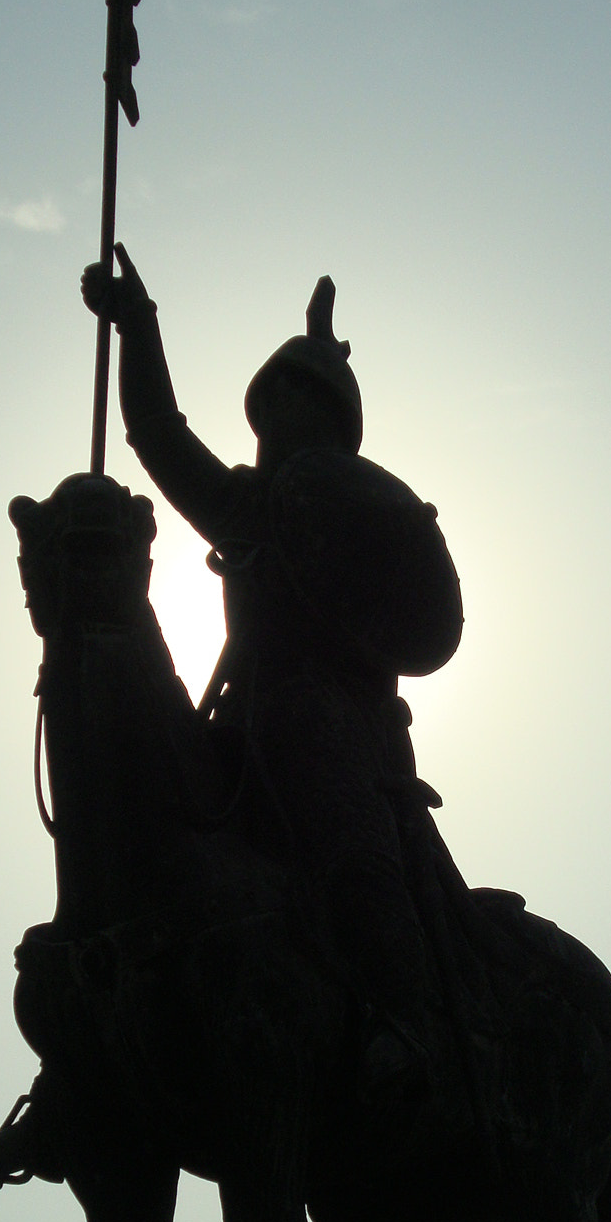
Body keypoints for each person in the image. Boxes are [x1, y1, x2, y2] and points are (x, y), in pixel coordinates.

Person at [78, 246, 462, 1106]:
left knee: (350, 855)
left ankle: (405, 1028)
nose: (269, 416)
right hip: (241, 720)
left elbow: (421, 620)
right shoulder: (251, 504)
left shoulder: (353, 502)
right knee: (131, 830)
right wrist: (139, 326)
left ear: (322, 411)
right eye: (264, 402)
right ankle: (81, 1066)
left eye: (286, 396)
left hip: (338, 735)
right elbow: (159, 435)